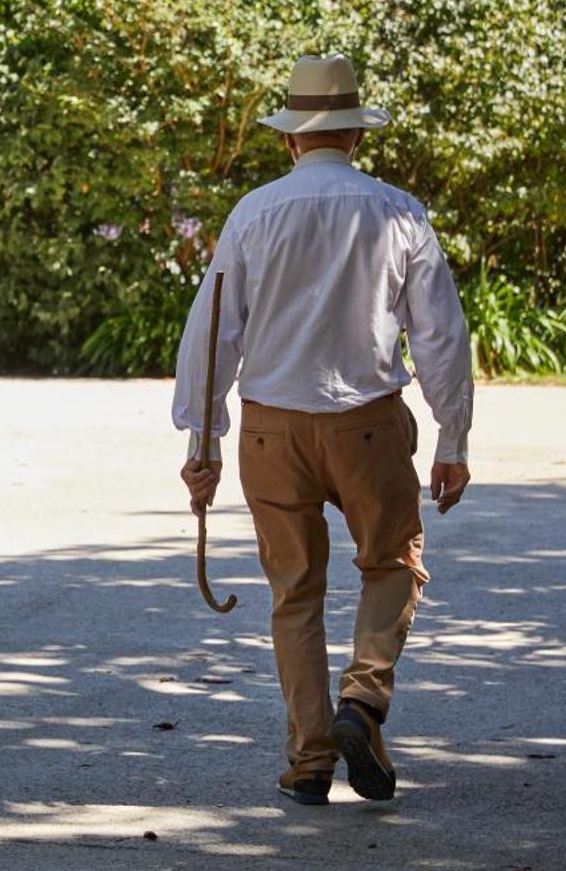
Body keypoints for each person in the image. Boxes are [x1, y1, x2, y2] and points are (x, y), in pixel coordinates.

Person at [173, 54, 472, 808]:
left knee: (295, 593)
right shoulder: (397, 210)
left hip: (271, 433)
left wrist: (202, 440)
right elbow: (439, 335)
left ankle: (309, 760)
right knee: (392, 560)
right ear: (356, 139)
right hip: (367, 425)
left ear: (290, 140)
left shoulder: (253, 213)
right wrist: (453, 437)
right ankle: (363, 700)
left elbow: (212, 336)